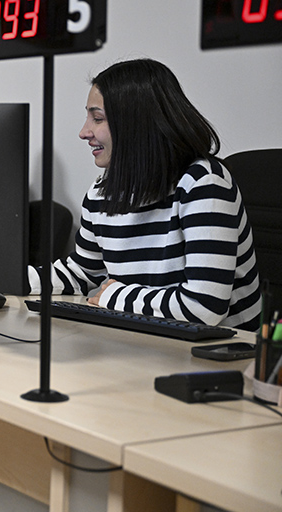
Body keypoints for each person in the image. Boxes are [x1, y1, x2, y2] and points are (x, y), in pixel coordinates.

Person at [29, 58, 262, 329]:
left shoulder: (204, 184)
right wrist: (5, 279)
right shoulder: (102, 191)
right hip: (147, 338)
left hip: (222, 349)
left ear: (136, 124)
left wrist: (115, 295)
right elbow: (81, 274)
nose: (84, 132)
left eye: (98, 119)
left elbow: (204, 308)